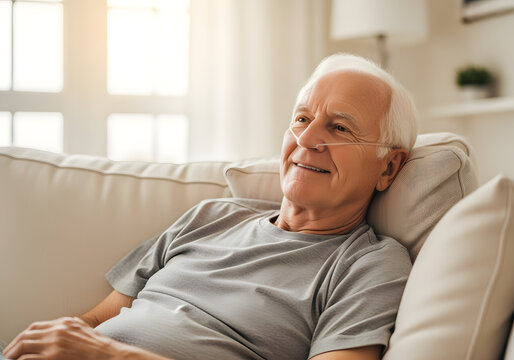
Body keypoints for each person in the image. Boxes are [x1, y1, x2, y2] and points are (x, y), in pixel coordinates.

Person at [2, 53, 418, 360]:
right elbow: (94, 321)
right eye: (302, 119)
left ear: (389, 167)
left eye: (339, 127)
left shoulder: (369, 265)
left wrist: (112, 357)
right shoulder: (211, 216)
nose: (307, 140)